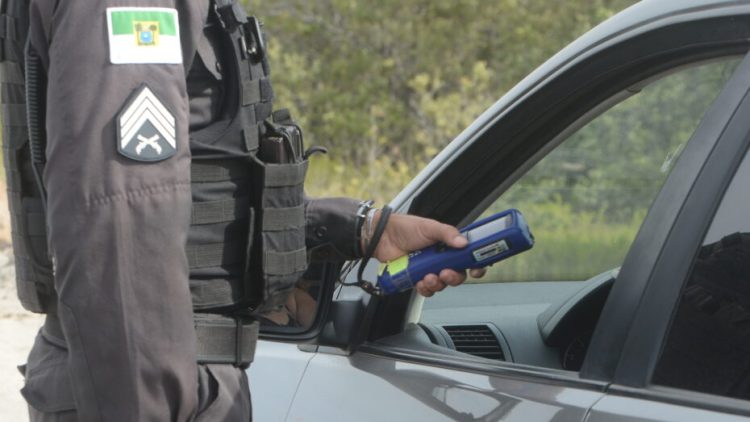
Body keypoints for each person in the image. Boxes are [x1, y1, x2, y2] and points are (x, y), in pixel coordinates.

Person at [11, 1, 484, 421]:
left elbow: (197, 189)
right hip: (152, 385)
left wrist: (361, 230)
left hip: (182, 374)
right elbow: (119, 226)